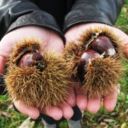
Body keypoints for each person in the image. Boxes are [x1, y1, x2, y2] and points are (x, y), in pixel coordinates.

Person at [0, 0, 127, 128]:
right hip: (38, 22)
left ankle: (75, 120)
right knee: (49, 103)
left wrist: (91, 15)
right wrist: (22, 19)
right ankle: (50, 123)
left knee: (73, 102)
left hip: (78, 18)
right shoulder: (44, 81)